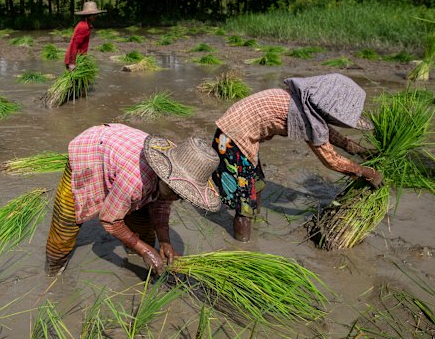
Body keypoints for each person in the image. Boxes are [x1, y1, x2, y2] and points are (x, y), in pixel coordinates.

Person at [211, 73, 384, 242]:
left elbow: (325, 132)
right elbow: (330, 160)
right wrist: (366, 172)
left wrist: (356, 149)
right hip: (232, 139)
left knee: (257, 184)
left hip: (239, 135)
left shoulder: (301, 100)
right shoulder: (303, 116)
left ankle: (253, 227)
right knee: (245, 204)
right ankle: (244, 247)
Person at [45, 123, 221, 277]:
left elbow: (162, 204)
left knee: (143, 226)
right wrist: (145, 251)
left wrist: (165, 242)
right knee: (66, 224)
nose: (176, 198)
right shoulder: (135, 179)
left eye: (181, 195)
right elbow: (110, 220)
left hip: (122, 159)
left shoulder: (181, 165)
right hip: (91, 152)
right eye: (175, 192)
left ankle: (137, 263)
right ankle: (53, 270)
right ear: (164, 176)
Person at [64, 1, 105, 71]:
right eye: (93, 15)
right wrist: (72, 63)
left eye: (95, 14)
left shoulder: (85, 25)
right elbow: (74, 44)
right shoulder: (83, 26)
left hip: (80, 59)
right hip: (76, 61)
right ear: (87, 15)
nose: (95, 16)